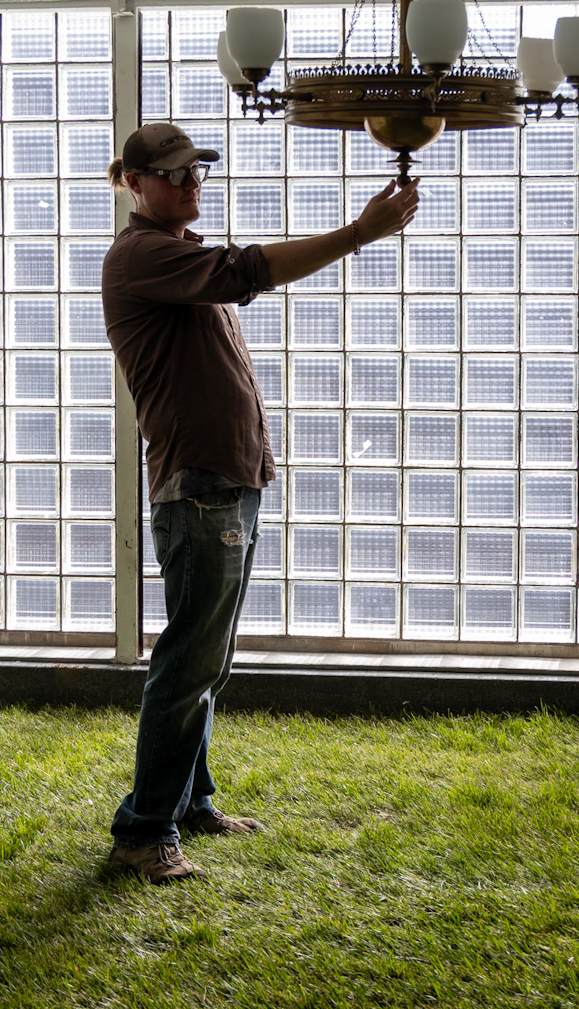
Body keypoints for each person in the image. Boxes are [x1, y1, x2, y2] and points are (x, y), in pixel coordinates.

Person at [101, 122, 421, 884]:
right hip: (201, 490)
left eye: (196, 171)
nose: (190, 183)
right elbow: (252, 269)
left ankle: (186, 801)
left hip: (226, 487)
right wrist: (358, 232)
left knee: (210, 661)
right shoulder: (145, 254)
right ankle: (144, 831)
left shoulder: (176, 254)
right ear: (137, 183)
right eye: (174, 173)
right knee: (187, 665)